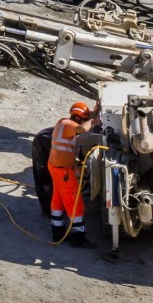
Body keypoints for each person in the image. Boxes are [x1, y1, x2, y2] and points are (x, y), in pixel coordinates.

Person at [48, 101, 95, 242]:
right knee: (74, 201)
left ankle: (57, 230)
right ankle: (78, 236)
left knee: (58, 198)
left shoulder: (62, 122)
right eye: (85, 118)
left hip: (57, 167)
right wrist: (93, 121)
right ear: (80, 118)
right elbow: (81, 129)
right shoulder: (69, 125)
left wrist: (95, 112)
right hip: (63, 171)